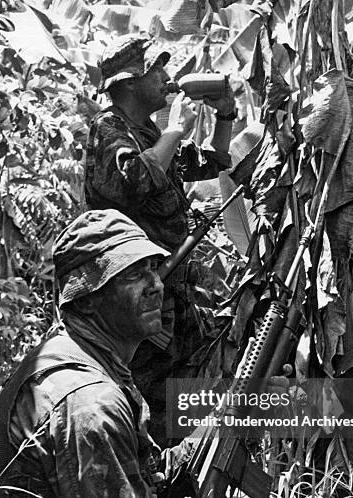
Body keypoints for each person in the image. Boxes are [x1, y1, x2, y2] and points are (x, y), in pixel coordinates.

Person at [0, 210, 246, 498]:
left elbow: (131, 473)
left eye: (152, 268)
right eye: (132, 274)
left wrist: (224, 420)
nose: (156, 285)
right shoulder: (88, 402)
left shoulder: (78, 356)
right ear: (88, 297)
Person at [84, 34, 237, 444]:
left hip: (168, 284)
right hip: (134, 291)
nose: (168, 79)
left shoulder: (147, 132)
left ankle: (168, 477)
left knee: (179, 382)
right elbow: (130, 182)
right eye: (158, 70)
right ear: (131, 82)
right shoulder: (109, 128)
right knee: (137, 391)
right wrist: (174, 130)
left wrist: (225, 117)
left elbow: (207, 165)